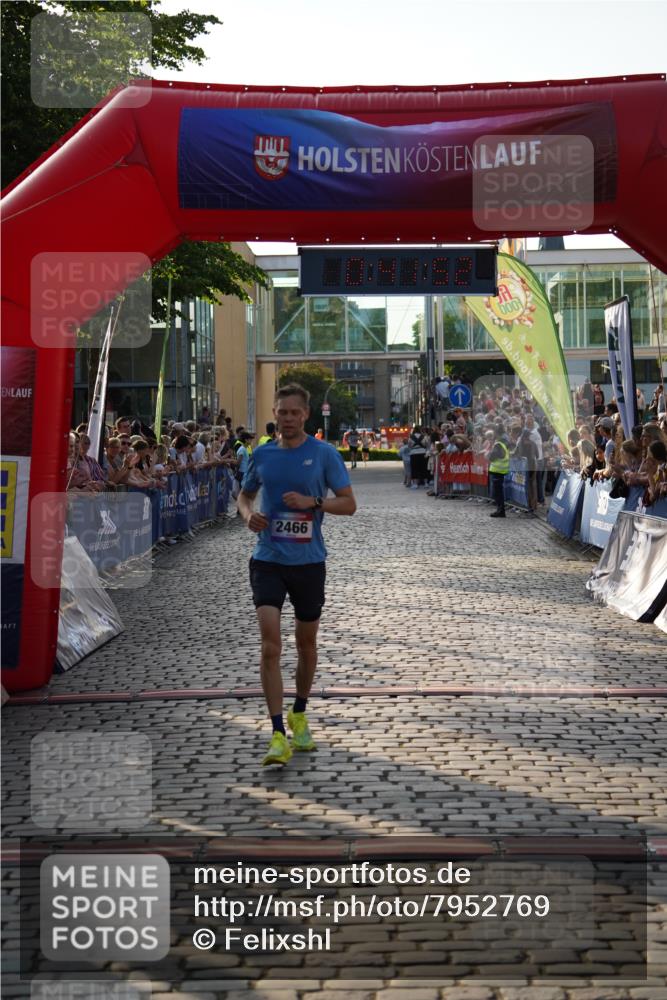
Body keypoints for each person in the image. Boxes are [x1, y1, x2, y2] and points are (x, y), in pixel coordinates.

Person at [237, 384, 356, 767]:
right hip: (267, 559)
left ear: (305, 415)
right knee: (271, 644)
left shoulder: (323, 454)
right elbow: (245, 496)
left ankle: (299, 712)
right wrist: (247, 516)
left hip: (308, 562)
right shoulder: (263, 454)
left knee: (306, 644)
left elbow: (349, 504)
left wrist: (315, 502)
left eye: (293, 413)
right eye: (281, 412)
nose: (287, 419)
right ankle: (276, 734)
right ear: (274, 414)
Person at [487, 428, 510, 517]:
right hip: (501, 470)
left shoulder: (498, 444)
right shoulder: (504, 443)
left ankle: (500, 511)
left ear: (497, 434)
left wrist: (489, 456)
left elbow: (494, 456)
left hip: (497, 470)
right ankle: (500, 510)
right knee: (499, 491)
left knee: (498, 492)